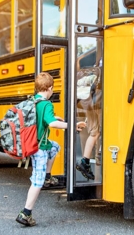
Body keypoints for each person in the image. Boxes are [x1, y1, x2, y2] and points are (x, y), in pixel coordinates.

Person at [16, 72, 85, 227]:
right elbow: (52, 124)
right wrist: (71, 125)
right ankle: (25, 213)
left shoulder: (34, 101)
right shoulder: (47, 104)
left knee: (55, 146)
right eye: (52, 88)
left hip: (35, 144)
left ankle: (48, 176)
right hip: (39, 149)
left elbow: (46, 119)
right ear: (49, 88)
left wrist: (56, 118)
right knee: (37, 182)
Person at [75, 63, 102, 181]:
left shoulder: (93, 70)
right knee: (102, 131)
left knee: (94, 133)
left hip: (89, 102)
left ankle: (85, 161)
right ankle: (99, 162)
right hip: (100, 103)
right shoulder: (104, 68)